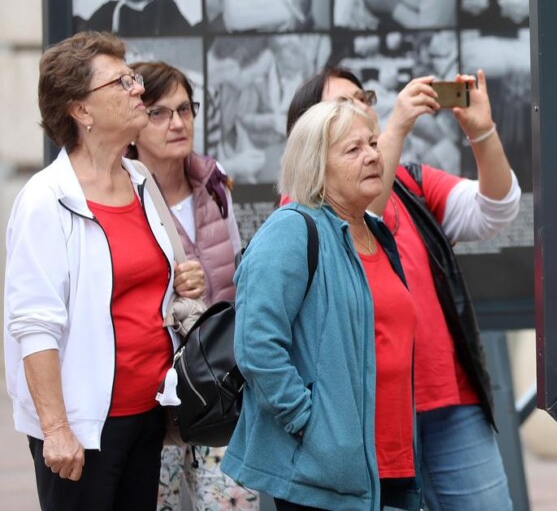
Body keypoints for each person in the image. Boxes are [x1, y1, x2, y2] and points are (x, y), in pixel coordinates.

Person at [285, 65, 520, 511]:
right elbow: (360, 215)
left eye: (363, 100)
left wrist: (482, 132)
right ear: (308, 132)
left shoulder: (411, 183)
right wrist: (396, 128)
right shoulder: (301, 210)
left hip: (450, 397)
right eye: (343, 104)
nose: (359, 111)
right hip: (368, 415)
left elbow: (497, 210)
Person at [4, 31, 205, 511]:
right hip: (82, 429)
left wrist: (182, 281)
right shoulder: (45, 199)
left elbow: (148, 282)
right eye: (122, 82)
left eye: (133, 77)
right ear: (82, 110)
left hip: (148, 414)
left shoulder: (139, 179)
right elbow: (34, 324)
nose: (138, 89)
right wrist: (56, 428)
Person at [221, 98, 420, 511]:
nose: (372, 156)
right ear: (316, 166)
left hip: (391, 461)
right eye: (353, 149)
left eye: (372, 144)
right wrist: (308, 425)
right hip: (324, 472)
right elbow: (256, 345)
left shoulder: (377, 233)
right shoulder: (292, 230)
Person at [125, 61, 257, 511]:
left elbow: (236, 276)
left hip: (221, 389)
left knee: (230, 503)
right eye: (159, 113)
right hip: (155, 398)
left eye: (185, 109)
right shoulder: (123, 195)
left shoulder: (214, 183)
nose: (178, 123)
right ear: (134, 122)